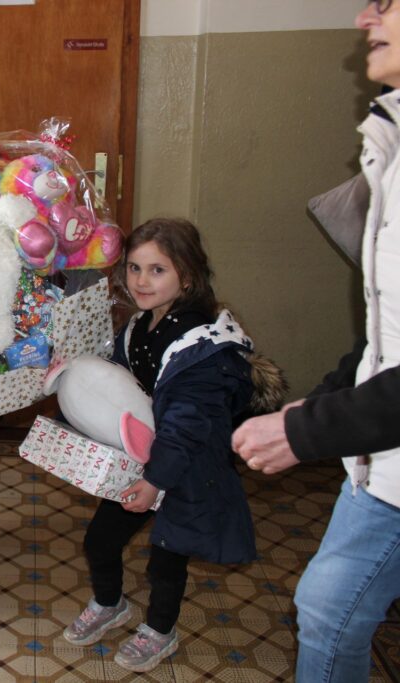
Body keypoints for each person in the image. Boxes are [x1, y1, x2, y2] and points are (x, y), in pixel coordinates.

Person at [232, 3, 400, 680]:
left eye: (387, 1)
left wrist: (307, 430)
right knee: (329, 607)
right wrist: (315, 408)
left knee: (330, 605)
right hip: (382, 461)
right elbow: (384, 338)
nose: (364, 16)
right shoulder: (388, 143)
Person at [63, 218, 281, 673]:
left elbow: (186, 427)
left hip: (185, 469)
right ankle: (110, 603)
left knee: (167, 559)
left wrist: (155, 481)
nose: (142, 281)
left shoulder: (201, 346)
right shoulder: (141, 324)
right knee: (101, 540)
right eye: (135, 268)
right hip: (143, 459)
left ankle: (159, 630)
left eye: (157, 270)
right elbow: (122, 382)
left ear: (187, 274)